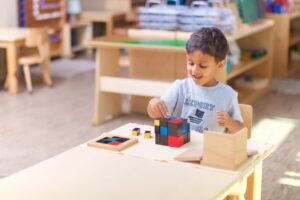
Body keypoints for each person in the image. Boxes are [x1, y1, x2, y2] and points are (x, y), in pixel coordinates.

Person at [147, 27, 244, 134]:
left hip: (211, 149)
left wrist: (230, 123)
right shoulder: (180, 87)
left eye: (203, 66)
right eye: (191, 63)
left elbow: (241, 131)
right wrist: (153, 104)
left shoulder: (228, 95)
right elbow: (155, 114)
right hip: (181, 147)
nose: (195, 70)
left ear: (220, 64)